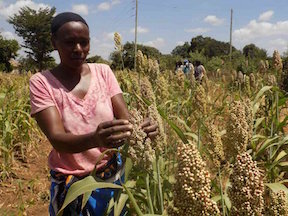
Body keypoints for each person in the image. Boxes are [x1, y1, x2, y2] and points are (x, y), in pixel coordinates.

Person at [29, 12, 158, 215]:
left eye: (84, 42)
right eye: (70, 42)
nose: (78, 49)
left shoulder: (103, 72)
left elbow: (127, 120)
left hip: (112, 178)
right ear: (54, 42)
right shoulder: (42, 82)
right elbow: (57, 139)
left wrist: (144, 127)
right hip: (74, 185)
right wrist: (95, 138)